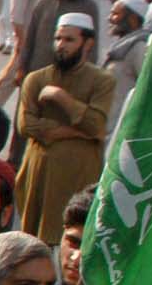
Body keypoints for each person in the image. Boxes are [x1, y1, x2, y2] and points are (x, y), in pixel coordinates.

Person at [14, 12, 114, 241]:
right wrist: (73, 131)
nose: (61, 45)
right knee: (32, 243)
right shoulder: (36, 79)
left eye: (69, 40)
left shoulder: (102, 81)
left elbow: (96, 124)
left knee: (72, 240)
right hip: (39, 175)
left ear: (87, 43)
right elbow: (25, 125)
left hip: (78, 176)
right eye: (58, 39)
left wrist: (61, 98)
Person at [102, 0, 149, 140]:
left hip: (122, 130)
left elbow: (147, 86)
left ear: (133, 19)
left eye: (115, 14)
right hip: (106, 128)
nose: (110, 18)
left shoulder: (139, 47)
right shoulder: (120, 46)